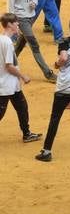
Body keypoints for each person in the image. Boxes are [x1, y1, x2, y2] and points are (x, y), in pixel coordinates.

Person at [34, 17, 70, 164]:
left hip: (65, 87)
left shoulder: (64, 42)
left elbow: (64, 58)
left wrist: (56, 64)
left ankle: (46, 151)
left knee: (55, 118)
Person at [8, 0, 55, 81]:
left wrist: (34, 2)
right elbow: (11, 7)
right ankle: (48, 73)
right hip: (21, 19)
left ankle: (6, 64)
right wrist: (15, 24)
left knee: (20, 43)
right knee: (34, 44)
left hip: (31, 16)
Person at [0, 13, 40, 144]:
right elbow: (9, 66)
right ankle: (27, 134)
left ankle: (27, 134)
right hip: (5, 85)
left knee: (22, 107)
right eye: (16, 23)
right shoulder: (6, 42)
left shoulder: (3, 40)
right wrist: (23, 76)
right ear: (10, 24)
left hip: (11, 84)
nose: (18, 25)